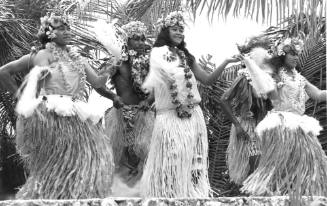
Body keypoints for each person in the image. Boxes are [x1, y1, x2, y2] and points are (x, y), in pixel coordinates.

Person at [0, 14, 114, 199]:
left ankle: (76, 195)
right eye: (62, 28)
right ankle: (49, 196)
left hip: (77, 115)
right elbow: (4, 72)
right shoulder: (40, 55)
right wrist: (22, 99)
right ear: (50, 33)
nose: (67, 32)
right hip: (52, 116)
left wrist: (111, 65)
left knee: (84, 160)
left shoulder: (78, 59)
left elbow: (98, 82)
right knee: (55, 162)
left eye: (68, 28)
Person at [140, 11, 242, 197]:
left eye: (181, 29)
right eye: (175, 29)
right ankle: (168, 196)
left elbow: (208, 80)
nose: (179, 33)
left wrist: (226, 62)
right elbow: (156, 82)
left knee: (194, 160)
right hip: (169, 118)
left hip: (193, 116)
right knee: (171, 160)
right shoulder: (157, 56)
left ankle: (192, 195)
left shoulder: (187, 57)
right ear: (165, 32)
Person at [241, 37, 327, 196]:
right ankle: (273, 196)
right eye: (292, 54)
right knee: (280, 164)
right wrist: (268, 82)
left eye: (297, 54)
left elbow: (319, 94)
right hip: (282, 125)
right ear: (282, 55)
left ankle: (299, 195)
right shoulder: (276, 75)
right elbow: (271, 95)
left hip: (300, 126)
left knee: (308, 162)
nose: (296, 57)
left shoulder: (301, 78)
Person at [95, 21, 155, 192]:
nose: (141, 42)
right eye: (136, 39)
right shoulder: (117, 62)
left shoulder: (149, 63)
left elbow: (158, 86)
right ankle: (120, 193)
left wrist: (148, 100)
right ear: (126, 41)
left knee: (145, 153)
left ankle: (143, 193)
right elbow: (98, 84)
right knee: (120, 155)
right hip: (120, 115)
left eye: (143, 39)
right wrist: (113, 96)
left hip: (144, 115)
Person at [220, 37, 274, 185]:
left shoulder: (267, 80)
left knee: (263, 172)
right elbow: (223, 100)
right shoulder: (244, 77)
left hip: (263, 127)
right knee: (254, 170)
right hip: (247, 127)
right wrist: (237, 125)